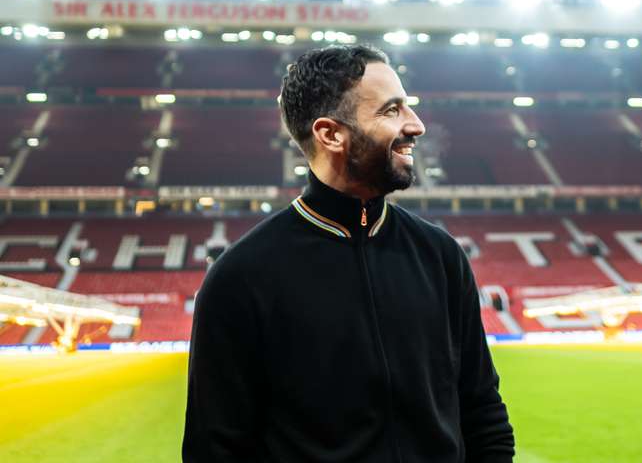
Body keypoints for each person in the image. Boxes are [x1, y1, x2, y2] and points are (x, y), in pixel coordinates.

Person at [182, 44, 514, 462]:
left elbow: (482, 410)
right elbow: (215, 450)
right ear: (330, 134)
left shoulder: (440, 256)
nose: (417, 125)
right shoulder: (242, 278)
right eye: (392, 110)